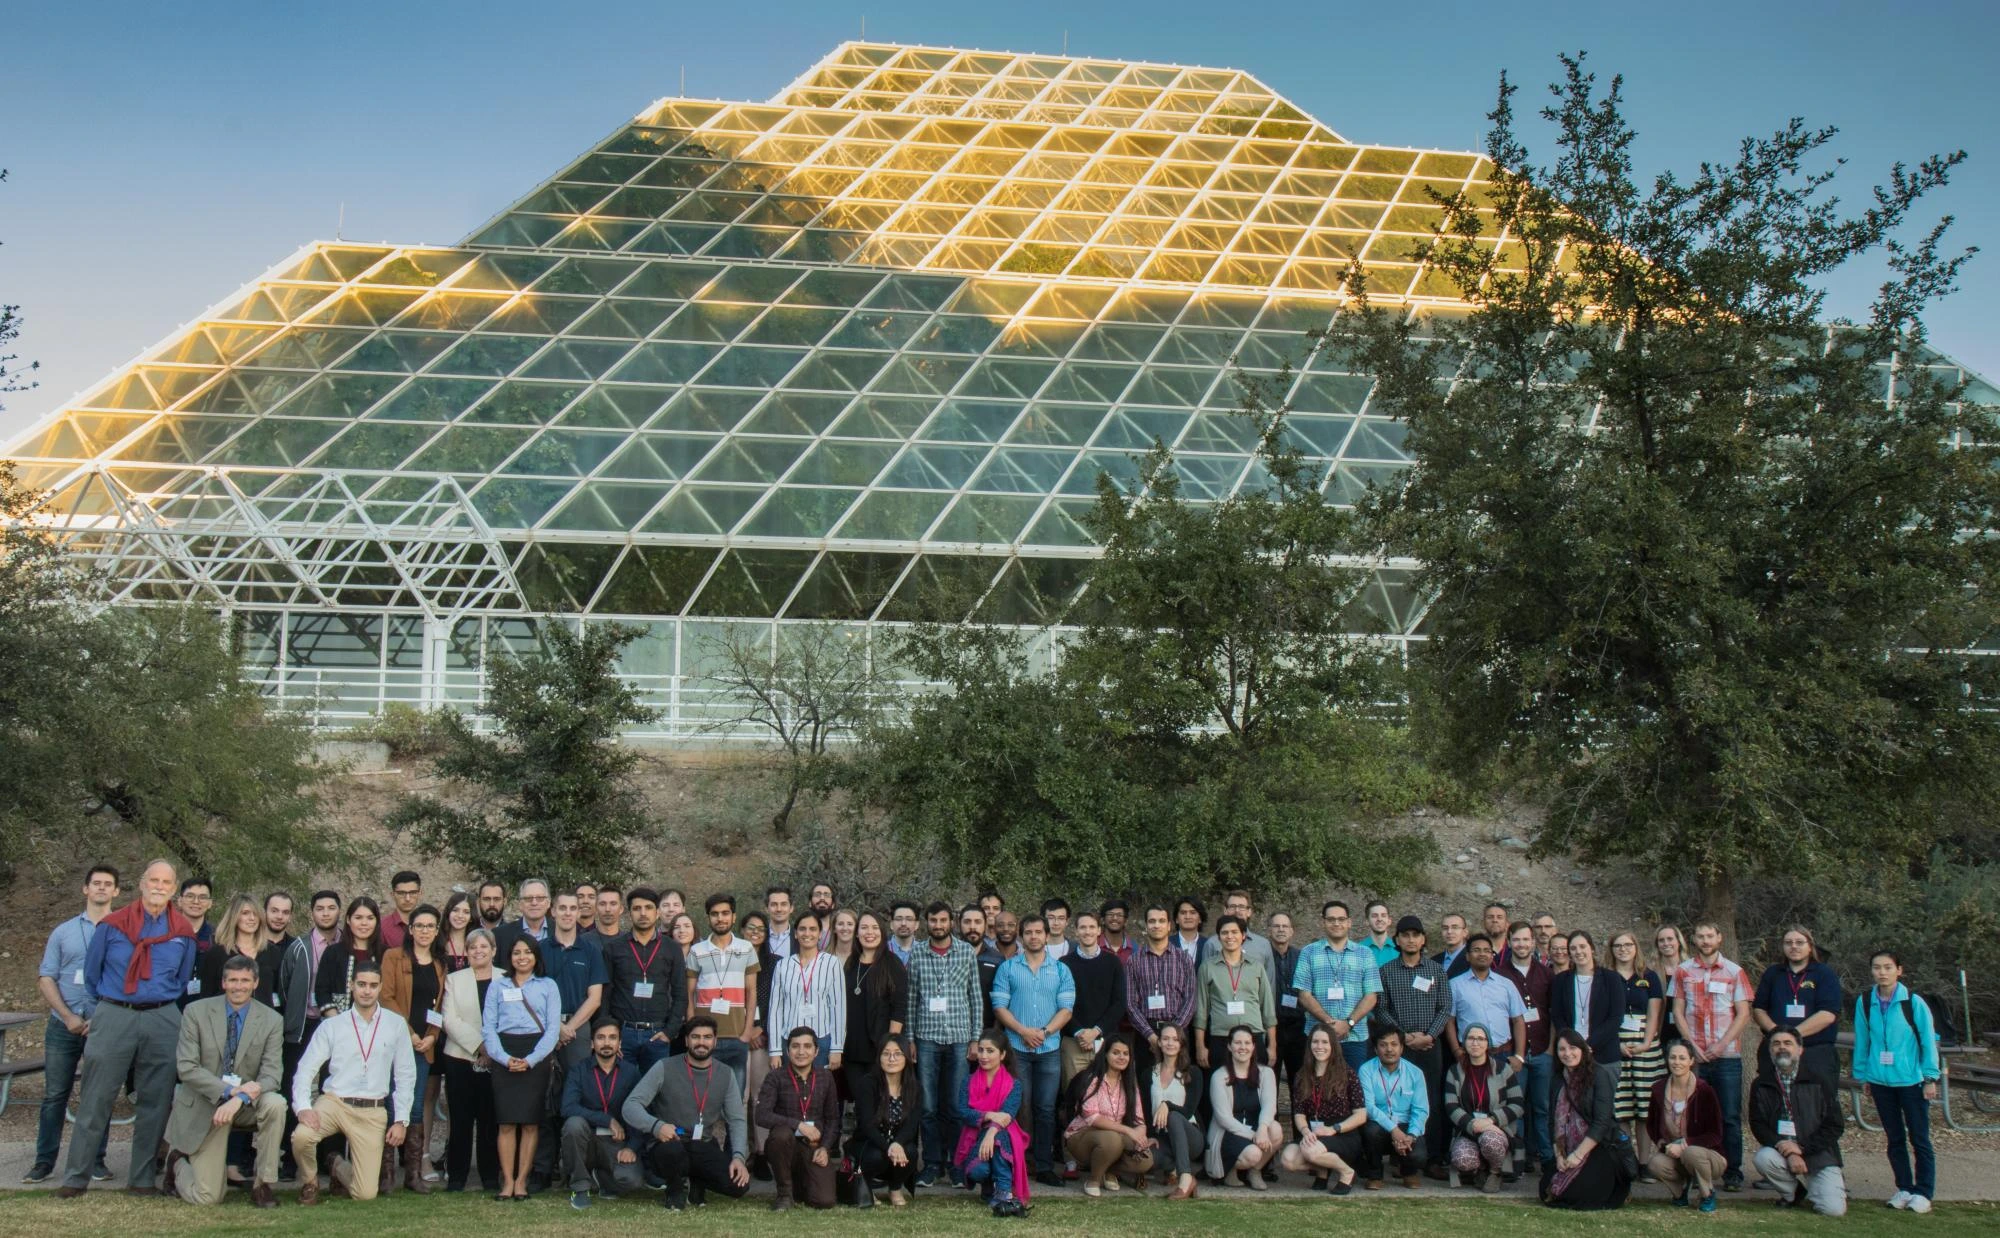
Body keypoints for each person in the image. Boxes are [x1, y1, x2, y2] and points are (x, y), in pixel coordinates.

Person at [55, 858, 197, 1199]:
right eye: (154, 880)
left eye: (167, 882)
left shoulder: (182, 931)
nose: (159, 886)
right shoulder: (113, 925)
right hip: (115, 1012)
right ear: (141, 883)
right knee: (96, 1097)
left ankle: (142, 1179)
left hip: (162, 1016)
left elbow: (181, 978)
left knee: (156, 1100)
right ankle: (76, 1178)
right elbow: (92, 975)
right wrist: (112, 1006)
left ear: (174, 889)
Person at [156, 954, 285, 1207]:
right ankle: (178, 1165)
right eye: (233, 980)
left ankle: (264, 1185)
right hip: (206, 1104)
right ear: (223, 983)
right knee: (208, 1198)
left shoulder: (272, 1020)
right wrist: (230, 1091)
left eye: (245, 980)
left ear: (255, 983)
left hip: (244, 1105)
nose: (239, 986)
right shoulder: (196, 1012)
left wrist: (240, 1098)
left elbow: (272, 1075)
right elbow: (187, 1068)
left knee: (276, 1104)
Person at [290, 960, 418, 1205]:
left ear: (380, 987)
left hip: (372, 1110)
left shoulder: (395, 1024)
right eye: (361, 984)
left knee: (364, 1194)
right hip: (335, 1102)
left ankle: (336, 1165)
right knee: (302, 1137)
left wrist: (401, 1120)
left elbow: (405, 1074)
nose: (366, 990)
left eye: (372, 985)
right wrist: (304, 1106)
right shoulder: (333, 1025)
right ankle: (310, 1181)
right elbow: (306, 1068)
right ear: (351, 986)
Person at [29, 864, 118, 1185]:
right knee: (55, 1095)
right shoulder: (63, 932)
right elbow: (46, 977)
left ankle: (95, 1161)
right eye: (96, 883)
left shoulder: (121, 931)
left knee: (99, 1095)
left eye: (108, 884)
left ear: (116, 891)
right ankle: (43, 1162)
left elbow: (124, 980)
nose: (101, 889)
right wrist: (68, 1016)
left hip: (103, 1024)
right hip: (61, 1025)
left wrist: (100, 1018)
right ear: (85, 889)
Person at [622, 1014, 753, 1210]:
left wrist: (739, 1157)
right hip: (668, 1143)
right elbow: (630, 1106)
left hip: (702, 1144)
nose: (701, 1042)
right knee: (673, 1151)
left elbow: (736, 1120)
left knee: (738, 1186)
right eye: (696, 1037)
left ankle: (697, 1182)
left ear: (715, 1041)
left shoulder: (725, 1073)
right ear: (686, 1040)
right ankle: (675, 1191)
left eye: (707, 1037)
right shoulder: (664, 1067)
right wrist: (657, 1127)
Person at [1852, 949, 1942, 1214]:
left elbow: (1928, 1041)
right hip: (1881, 1081)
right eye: (1877, 967)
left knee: (1919, 1138)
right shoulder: (1865, 1001)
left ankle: (1923, 1192)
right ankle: (1904, 1187)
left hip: (1911, 1081)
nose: (1882, 972)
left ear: (1899, 970)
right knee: (1894, 1139)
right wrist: (1863, 1075)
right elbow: (1863, 1040)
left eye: (1888, 967)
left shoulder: (1912, 1003)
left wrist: (1930, 1077)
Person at [526, 891, 605, 1192]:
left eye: (574, 908)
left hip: (578, 1029)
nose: (569, 913)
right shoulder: (540, 949)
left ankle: (574, 1169)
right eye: (563, 908)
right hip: (543, 1028)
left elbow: (595, 997)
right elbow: (530, 991)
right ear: (552, 911)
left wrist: (568, 1027)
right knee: (543, 1099)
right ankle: (543, 1169)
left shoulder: (590, 950)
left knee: (575, 1098)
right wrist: (554, 1027)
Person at [992, 912, 1076, 1188]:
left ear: (1047, 934)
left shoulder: (1061, 970)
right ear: (1021, 935)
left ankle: (1044, 1165)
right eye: (1028, 932)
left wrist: (1044, 1032)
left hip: (1049, 1048)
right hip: (1017, 1048)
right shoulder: (1007, 968)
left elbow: (1066, 1009)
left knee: (1046, 1109)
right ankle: (1019, 1161)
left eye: (1039, 932)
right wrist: (1023, 1031)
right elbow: (1000, 1007)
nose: (1034, 937)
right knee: (1020, 1108)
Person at [905, 899, 983, 1188]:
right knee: (927, 1106)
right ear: (927, 923)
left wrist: (975, 1038)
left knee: (956, 1104)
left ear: (952, 922)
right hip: (926, 1036)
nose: (938, 925)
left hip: (960, 1038)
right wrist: (909, 1039)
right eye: (933, 920)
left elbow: (975, 997)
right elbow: (911, 999)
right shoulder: (917, 953)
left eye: (943, 920)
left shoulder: (965, 953)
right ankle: (933, 1163)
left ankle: (957, 1164)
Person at [1672, 920, 1752, 1191]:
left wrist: (1720, 1045)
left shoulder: (1734, 971)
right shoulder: (1683, 971)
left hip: (1726, 1056)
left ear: (1719, 938)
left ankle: (1733, 1171)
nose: (1705, 940)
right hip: (1694, 1058)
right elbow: (1678, 1011)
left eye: (1710, 936)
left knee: (1729, 1115)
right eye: (1700, 936)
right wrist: (1691, 1046)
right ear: (1694, 939)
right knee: (1694, 1115)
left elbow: (1743, 1014)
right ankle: (1697, 1170)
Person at [482, 935, 561, 1200]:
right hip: (504, 1052)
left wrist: (532, 1059)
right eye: (517, 952)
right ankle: (507, 1182)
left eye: (528, 952)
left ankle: (522, 1182)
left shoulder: (548, 986)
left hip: (535, 1054)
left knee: (530, 1123)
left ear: (536, 956)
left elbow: (552, 1030)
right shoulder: (497, 986)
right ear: (509, 957)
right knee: (505, 1122)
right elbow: (488, 1027)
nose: (522, 957)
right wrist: (503, 1058)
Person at [1373, 914, 1452, 1179]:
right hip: (1398, 1048)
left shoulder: (1436, 971)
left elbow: (1445, 1008)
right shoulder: (1385, 972)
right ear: (1397, 939)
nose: (1410, 939)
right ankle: (1400, 1157)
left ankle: (1431, 1158)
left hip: (1430, 1048)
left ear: (1423, 939)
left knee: (1430, 1102)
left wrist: (1429, 1035)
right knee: (1397, 1099)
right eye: (1405, 935)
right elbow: (1381, 1009)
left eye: (1415, 935)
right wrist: (1404, 1038)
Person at [379, 902, 446, 1195]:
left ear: (436, 930)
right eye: (419, 925)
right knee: (392, 1104)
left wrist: (431, 1036)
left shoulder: (440, 963)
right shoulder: (393, 957)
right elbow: (386, 997)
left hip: (423, 1047)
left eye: (430, 926)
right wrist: (409, 1033)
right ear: (411, 928)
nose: (424, 931)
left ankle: (413, 1174)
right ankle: (386, 1174)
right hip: (396, 1043)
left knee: (416, 1106)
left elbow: (440, 1006)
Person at [274, 888, 341, 1179]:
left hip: (335, 1026)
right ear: (311, 913)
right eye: (319, 908)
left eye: (331, 908)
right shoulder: (299, 947)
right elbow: (285, 987)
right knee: (293, 1088)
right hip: (303, 1027)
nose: (325, 913)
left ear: (339, 911)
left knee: (332, 1090)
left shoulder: (345, 945)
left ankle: (329, 1156)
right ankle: (290, 1158)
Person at [1749, 1026, 1845, 1216]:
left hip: (1818, 1153)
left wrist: (1801, 1148)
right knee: (1763, 1158)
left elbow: (1835, 1125)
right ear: (1770, 1051)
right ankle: (1795, 1192)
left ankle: (1820, 1187)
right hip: (1782, 1151)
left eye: (1788, 1043)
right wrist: (1784, 1146)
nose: (1781, 1048)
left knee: (1833, 1210)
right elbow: (1757, 1124)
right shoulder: (1761, 1084)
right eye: (1776, 1044)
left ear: (1800, 1050)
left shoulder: (1819, 1081)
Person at [438, 928, 500, 1192]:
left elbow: (509, 1018)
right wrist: (480, 1046)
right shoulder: (454, 979)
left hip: (497, 1060)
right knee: (461, 1120)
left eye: (484, 947)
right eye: (473, 947)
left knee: (490, 1119)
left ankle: (490, 1176)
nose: (478, 951)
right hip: (460, 1058)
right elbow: (450, 1020)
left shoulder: (506, 979)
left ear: (494, 951)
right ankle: (457, 1176)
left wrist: (493, 1049)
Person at [1539, 1028, 1628, 1209]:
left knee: (1579, 1196)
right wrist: (1559, 1156)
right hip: (1567, 1147)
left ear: (1582, 1049)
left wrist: (1578, 1155)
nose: (1568, 1054)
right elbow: (1552, 1121)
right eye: (1562, 1049)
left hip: (1596, 1146)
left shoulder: (1600, 1075)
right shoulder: (1557, 1079)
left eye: (1572, 1048)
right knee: (1546, 1190)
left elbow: (1602, 1122)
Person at [559, 1017, 643, 1209]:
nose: (606, 1043)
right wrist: (607, 1120)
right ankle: (580, 1186)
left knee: (632, 1181)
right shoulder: (578, 1071)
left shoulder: (631, 1073)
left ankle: (600, 1177)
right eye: (601, 1038)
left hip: (615, 1143)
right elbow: (568, 1107)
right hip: (585, 1139)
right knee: (573, 1124)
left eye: (612, 1038)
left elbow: (640, 1112)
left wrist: (632, 1147)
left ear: (619, 1043)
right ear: (591, 1043)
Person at [756, 1026, 841, 1210]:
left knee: (824, 1201)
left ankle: (800, 1185)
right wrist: (798, 1125)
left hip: (813, 1147)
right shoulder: (775, 1077)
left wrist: (825, 1148)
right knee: (781, 1135)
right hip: (784, 1146)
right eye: (795, 1046)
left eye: (807, 1046)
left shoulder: (826, 1078)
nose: (801, 1052)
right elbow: (761, 1115)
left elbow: (833, 1119)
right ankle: (784, 1194)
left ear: (816, 1051)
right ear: (787, 1051)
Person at [1062, 1034, 1155, 1196]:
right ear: (1105, 1054)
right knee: (1112, 1139)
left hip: (1114, 1137)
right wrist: (1127, 1131)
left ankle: (1108, 1170)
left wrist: (1140, 1134)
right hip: (1082, 1135)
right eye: (1116, 1052)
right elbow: (1092, 1117)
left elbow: (1139, 1119)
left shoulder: (1130, 1083)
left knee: (1146, 1160)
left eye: (1126, 1054)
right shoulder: (1092, 1078)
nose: (1121, 1057)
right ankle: (1094, 1180)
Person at [1293, 900, 1381, 1071]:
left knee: (1354, 1090)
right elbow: (1304, 994)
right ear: (1323, 922)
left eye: (1341, 919)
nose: (1336, 923)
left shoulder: (1365, 954)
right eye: (1331, 919)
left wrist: (1348, 1023)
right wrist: (1329, 1023)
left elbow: (1371, 996)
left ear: (1349, 922)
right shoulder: (1308, 952)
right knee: (1317, 1089)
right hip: (1317, 1039)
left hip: (1355, 1037)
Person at [606, 887, 686, 1071]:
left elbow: (680, 993)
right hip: (623, 1034)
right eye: (637, 908)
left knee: (655, 1093)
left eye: (648, 908)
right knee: (621, 1091)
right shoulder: (614, 948)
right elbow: (606, 994)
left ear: (657, 912)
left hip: (657, 1034)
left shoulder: (672, 949)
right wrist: (611, 1035)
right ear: (629, 913)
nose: (643, 913)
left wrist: (669, 1032)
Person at [1280, 1024, 1365, 1193]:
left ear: (1333, 1045)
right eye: (1315, 1042)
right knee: (1288, 1160)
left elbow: (1361, 1115)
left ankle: (1347, 1172)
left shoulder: (1347, 1074)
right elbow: (1299, 1113)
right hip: (1314, 1132)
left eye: (1325, 1042)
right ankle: (1322, 1169)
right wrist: (1306, 1132)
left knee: (1310, 1151)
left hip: (1342, 1133)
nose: (1320, 1047)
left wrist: (1334, 1129)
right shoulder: (1302, 1075)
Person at [1752, 926, 1842, 1085]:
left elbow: (1828, 1014)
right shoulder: (1773, 973)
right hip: (1775, 1051)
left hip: (1815, 1053)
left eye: (1799, 942)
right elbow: (1759, 1009)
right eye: (1789, 942)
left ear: (1810, 947)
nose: (1794, 946)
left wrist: (1791, 1036)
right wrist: (1777, 1034)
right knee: (1772, 1101)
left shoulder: (1824, 974)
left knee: (1816, 1106)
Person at [957, 1028, 1032, 1217]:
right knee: (978, 1171)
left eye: (990, 1051)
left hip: (1004, 1136)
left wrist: (991, 1133)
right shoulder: (968, 1081)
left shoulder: (1014, 1084)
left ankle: (1004, 1192)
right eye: (981, 1050)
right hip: (974, 1136)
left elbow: (1007, 1116)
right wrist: (989, 1115)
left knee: (1000, 1136)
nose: (984, 1055)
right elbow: (964, 1112)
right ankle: (989, 1187)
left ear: (1003, 1054)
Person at [687, 893, 761, 1083]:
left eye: (725, 913)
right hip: (705, 1038)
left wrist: (747, 1032)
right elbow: (689, 994)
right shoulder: (697, 950)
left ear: (734, 917)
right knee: (704, 1095)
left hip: (737, 1036)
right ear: (708, 918)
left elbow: (751, 992)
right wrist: (692, 1032)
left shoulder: (746, 948)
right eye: (715, 914)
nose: (720, 918)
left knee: (735, 1098)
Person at [1501, 921, 1556, 1171]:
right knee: (1516, 1107)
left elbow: (1554, 1013)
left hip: (1543, 1049)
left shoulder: (1546, 973)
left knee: (1543, 1107)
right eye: (1516, 940)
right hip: (1515, 1054)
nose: (1521, 945)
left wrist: (1552, 1048)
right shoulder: (1500, 974)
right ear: (1509, 942)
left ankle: (1545, 1156)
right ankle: (1518, 1157)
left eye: (1525, 940)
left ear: (1533, 942)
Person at [1443, 1023, 1524, 1191]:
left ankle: (1495, 1172)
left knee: (1490, 1140)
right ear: (1464, 1042)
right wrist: (1472, 1124)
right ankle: (1480, 1170)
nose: (1475, 1043)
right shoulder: (1454, 1071)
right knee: (1463, 1159)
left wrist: (1491, 1120)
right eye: (1471, 1038)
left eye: (1481, 1039)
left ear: (1488, 1043)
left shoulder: (1503, 1069)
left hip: (1497, 1129)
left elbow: (1517, 1104)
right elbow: (1451, 1106)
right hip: (1468, 1130)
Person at [1608, 930, 1664, 1169]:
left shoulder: (1649, 977)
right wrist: (1615, 1044)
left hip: (1645, 1046)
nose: (1623, 949)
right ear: (1611, 950)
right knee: (1621, 1107)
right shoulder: (1606, 977)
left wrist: (1646, 1043)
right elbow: (1603, 1013)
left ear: (1636, 947)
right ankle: (1626, 1160)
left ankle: (1643, 1162)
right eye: (1618, 945)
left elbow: (1655, 1014)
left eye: (1627, 944)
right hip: (1615, 1043)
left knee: (1644, 1107)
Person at [1647, 1040, 1725, 1211]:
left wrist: (1685, 1144)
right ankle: (1680, 1193)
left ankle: (1707, 1194)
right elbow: (1651, 1123)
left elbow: (1715, 1134)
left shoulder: (1704, 1090)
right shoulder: (1658, 1090)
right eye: (1673, 1057)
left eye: (1682, 1058)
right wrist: (1660, 1140)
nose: (1677, 1062)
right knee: (1655, 1163)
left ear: (1691, 1061)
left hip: (1708, 1156)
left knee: (1691, 1152)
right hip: (1676, 1155)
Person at [1196, 914, 1278, 1073]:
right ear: (1219, 937)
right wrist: (1201, 1046)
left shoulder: (1256, 967)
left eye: (1234, 932)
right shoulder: (1207, 968)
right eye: (1225, 933)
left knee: (1253, 1088)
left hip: (1253, 1037)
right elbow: (1201, 1010)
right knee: (1221, 1088)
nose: (1230, 936)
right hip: (1221, 1038)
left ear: (1243, 936)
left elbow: (1267, 1008)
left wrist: (1272, 1045)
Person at [765, 910, 845, 1072]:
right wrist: (774, 1050)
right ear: (795, 934)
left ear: (820, 934)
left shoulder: (832, 963)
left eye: (812, 929)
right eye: (802, 929)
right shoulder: (783, 965)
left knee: (817, 1092)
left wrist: (837, 1048)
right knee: (789, 1093)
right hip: (788, 1041)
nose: (807, 933)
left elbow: (838, 1008)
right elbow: (775, 1010)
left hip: (821, 1041)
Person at [843, 911, 908, 1104]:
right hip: (852, 1048)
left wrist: (891, 1044)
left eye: (874, 928)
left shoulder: (892, 963)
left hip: (879, 1047)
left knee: (880, 1101)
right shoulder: (851, 963)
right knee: (859, 1099)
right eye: (864, 928)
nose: (869, 932)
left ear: (882, 932)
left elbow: (899, 1006)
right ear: (856, 933)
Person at [1058, 911, 1127, 1089]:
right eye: (1082, 927)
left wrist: (1095, 1031)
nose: (1087, 931)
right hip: (1074, 1041)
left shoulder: (1113, 962)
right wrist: (1080, 1032)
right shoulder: (1064, 964)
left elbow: (1119, 1003)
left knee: (1107, 1093)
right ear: (1076, 931)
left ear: (1099, 931)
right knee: (1074, 1094)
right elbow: (1059, 1004)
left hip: (1105, 1041)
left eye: (1091, 927)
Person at [1126, 904, 1196, 1075]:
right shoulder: (1134, 961)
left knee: (1179, 1083)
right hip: (1146, 1034)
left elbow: (1191, 999)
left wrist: (1173, 1035)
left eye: (1161, 921)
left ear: (1169, 925)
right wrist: (1151, 1036)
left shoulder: (1183, 959)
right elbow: (1130, 1003)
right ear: (1146, 925)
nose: (1156, 925)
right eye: (1152, 921)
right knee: (1146, 1084)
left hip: (1178, 1031)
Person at [1209, 1024, 1281, 1188]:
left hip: (1255, 1128)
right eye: (1238, 1043)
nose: (1243, 1047)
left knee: (1275, 1129)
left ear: (1254, 1046)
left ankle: (1255, 1171)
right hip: (1228, 1132)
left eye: (1247, 1043)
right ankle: (1230, 1171)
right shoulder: (1219, 1076)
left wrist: (1262, 1129)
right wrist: (1254, 1136)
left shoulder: (1266, 1073)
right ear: (1229, 1046)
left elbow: (1269, 1106)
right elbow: (1223, 1118)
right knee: (1254, 1153)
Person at [854, 1036, 922, 1206]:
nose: (892, 1059)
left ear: (906, 1057)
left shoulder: (914, 1087)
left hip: (897, 1143)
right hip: (870, 1143)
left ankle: (895, 1188)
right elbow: (867, 1125)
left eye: (898, 1054)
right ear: (879, 1058)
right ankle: (867, 1187)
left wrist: (898, 1143)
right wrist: (889, 1146)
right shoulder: (867, 1084)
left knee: (911, 1151)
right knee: (877, 1155)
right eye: (886, 1054)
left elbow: (912, 1125)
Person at [1357, 1026, 1427, 1189]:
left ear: (1402, 1048)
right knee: (1370, 1131)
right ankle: (1375, 1175)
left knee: (1420, 1156)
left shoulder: (1415, 1073)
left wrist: (1411, 1135)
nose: (1389, 1049)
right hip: (1379, 1124)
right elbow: (1369, 1107)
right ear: (1375, 1049)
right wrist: (1394, 1130)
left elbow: (1421, 1109)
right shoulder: (1366, 1070)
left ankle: (1409, 1172)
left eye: (1394, 1044)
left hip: (1406, 1126)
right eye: (1383, 1045)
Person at [1145, 1023, 1207, 1198]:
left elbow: (1187, 1111)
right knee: (1144, 1160)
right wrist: (1149, 1135)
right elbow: (1144, 1108)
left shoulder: (1193, 1073)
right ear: (1159, 1043)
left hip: (1190, 1137)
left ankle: (1186, 1179)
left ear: (1182, 1044)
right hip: (1162, 1137)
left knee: (1173, 1116)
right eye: (1165, 1039)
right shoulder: (1148, 1074)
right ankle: (1170, 1166)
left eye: (1175, 1039)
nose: (1170, 1043)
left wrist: (1167, 1104)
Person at [1549, 931, 1625, 1065]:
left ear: (1592, 949)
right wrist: (1573, 1045)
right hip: (1570, 1054)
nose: (1578, 951)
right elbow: (1557, 1016)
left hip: (1604, 1053)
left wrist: (1587, 1045)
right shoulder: (1561, 980)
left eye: (1582, 946)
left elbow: (1616, 1017)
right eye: (1573, 948)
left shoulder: (1611, 978)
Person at [193, 894, 276, 1007]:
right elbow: (206, 996)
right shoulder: (217, 953)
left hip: (262, 1021)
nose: (252, 918)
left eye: (255, 914)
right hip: (223, 1019)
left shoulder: (272, 952)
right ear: (234, 917)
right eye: (245, 913)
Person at [312, 895, 384, 1018]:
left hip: (377, 1026)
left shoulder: (385, 953)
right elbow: (322, 990)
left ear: (377, 921)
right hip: (338, 1024)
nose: (364, 923)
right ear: (348, 920)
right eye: (358, 918)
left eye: (370, 918)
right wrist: (338, 1021)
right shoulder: (333, 952)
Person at [1199, 891, 1278, 980]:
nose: (1237, 911)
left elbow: (1269, 982)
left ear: (1249, 912)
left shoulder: (1263, 945)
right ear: (1225, 910)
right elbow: (1205, 979)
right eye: (1232, 907)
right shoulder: (1212, 944)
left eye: (1241, 907)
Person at [1268, 912, 1306, 1082]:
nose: (1281, 930)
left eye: (1285, 926)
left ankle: (1298, 1109)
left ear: (1292, 931)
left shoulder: (1302, 957)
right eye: (1276, 926)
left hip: (1297, 1025)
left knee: (1298, 1076)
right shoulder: (1264, 957)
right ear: (1270, 930)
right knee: (1270, 1075)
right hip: (1271, 1025)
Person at [492, 878, 553, 963]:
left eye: (540, 898)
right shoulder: (500, 935)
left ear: (548, 903)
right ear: (520, 904)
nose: (534, 903)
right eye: (528, 898)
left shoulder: (561, 932)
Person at [1653, 924, 1688, 1047]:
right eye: (1661, 940)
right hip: (1661, 1029)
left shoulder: (1691, 969)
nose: (1666, 943)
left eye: (1670, 939)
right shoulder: (1650, 972)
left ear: (1679, 941)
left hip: (1687, 1029)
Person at [379, 871, 423, 950]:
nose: (407, 899)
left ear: (420, 893)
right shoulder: (382, 928)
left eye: (412, 893)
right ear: (393, 895)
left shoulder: (429, 925)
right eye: (401, 893)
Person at [179, 877, 216, 952]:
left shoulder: (217, 936)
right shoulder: (166, 932)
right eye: (190, 896)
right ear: (180, 901)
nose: (196, 902)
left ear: (210, 903)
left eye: (202, 897)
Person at [439, 891, 474, 971]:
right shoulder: (436, 941)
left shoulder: (476, 943)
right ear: (448, 912)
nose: (460, 916)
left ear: (471, 917)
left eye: (466, 912)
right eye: (455, 910)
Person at [1172, 897, 1209, 962]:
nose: (1188, 917)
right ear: (1176, 919)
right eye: (1183, 913)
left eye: (1193, 912)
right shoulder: (1166, 944)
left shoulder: (1208, 944)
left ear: (1200, 918)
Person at [1434, 913, 1471, 978]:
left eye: (1455, 927)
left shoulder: (1473, 960)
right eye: (1445, 928)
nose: (1449, 931)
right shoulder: (1433, 960)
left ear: (1465, 932)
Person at [1362, 901, 1397, 966]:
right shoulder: (1357, 950)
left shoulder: (1399, 949)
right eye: (1374, 916)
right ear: (1367, 921)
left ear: (1389, 921)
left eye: (1383, 915)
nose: (1379, 919)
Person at [765, 887, 795, 959]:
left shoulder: (800, 937)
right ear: (766, 909)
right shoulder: (759, 936)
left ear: (791, 908)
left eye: (784, 904)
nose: (779, 909)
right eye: (774, 904)